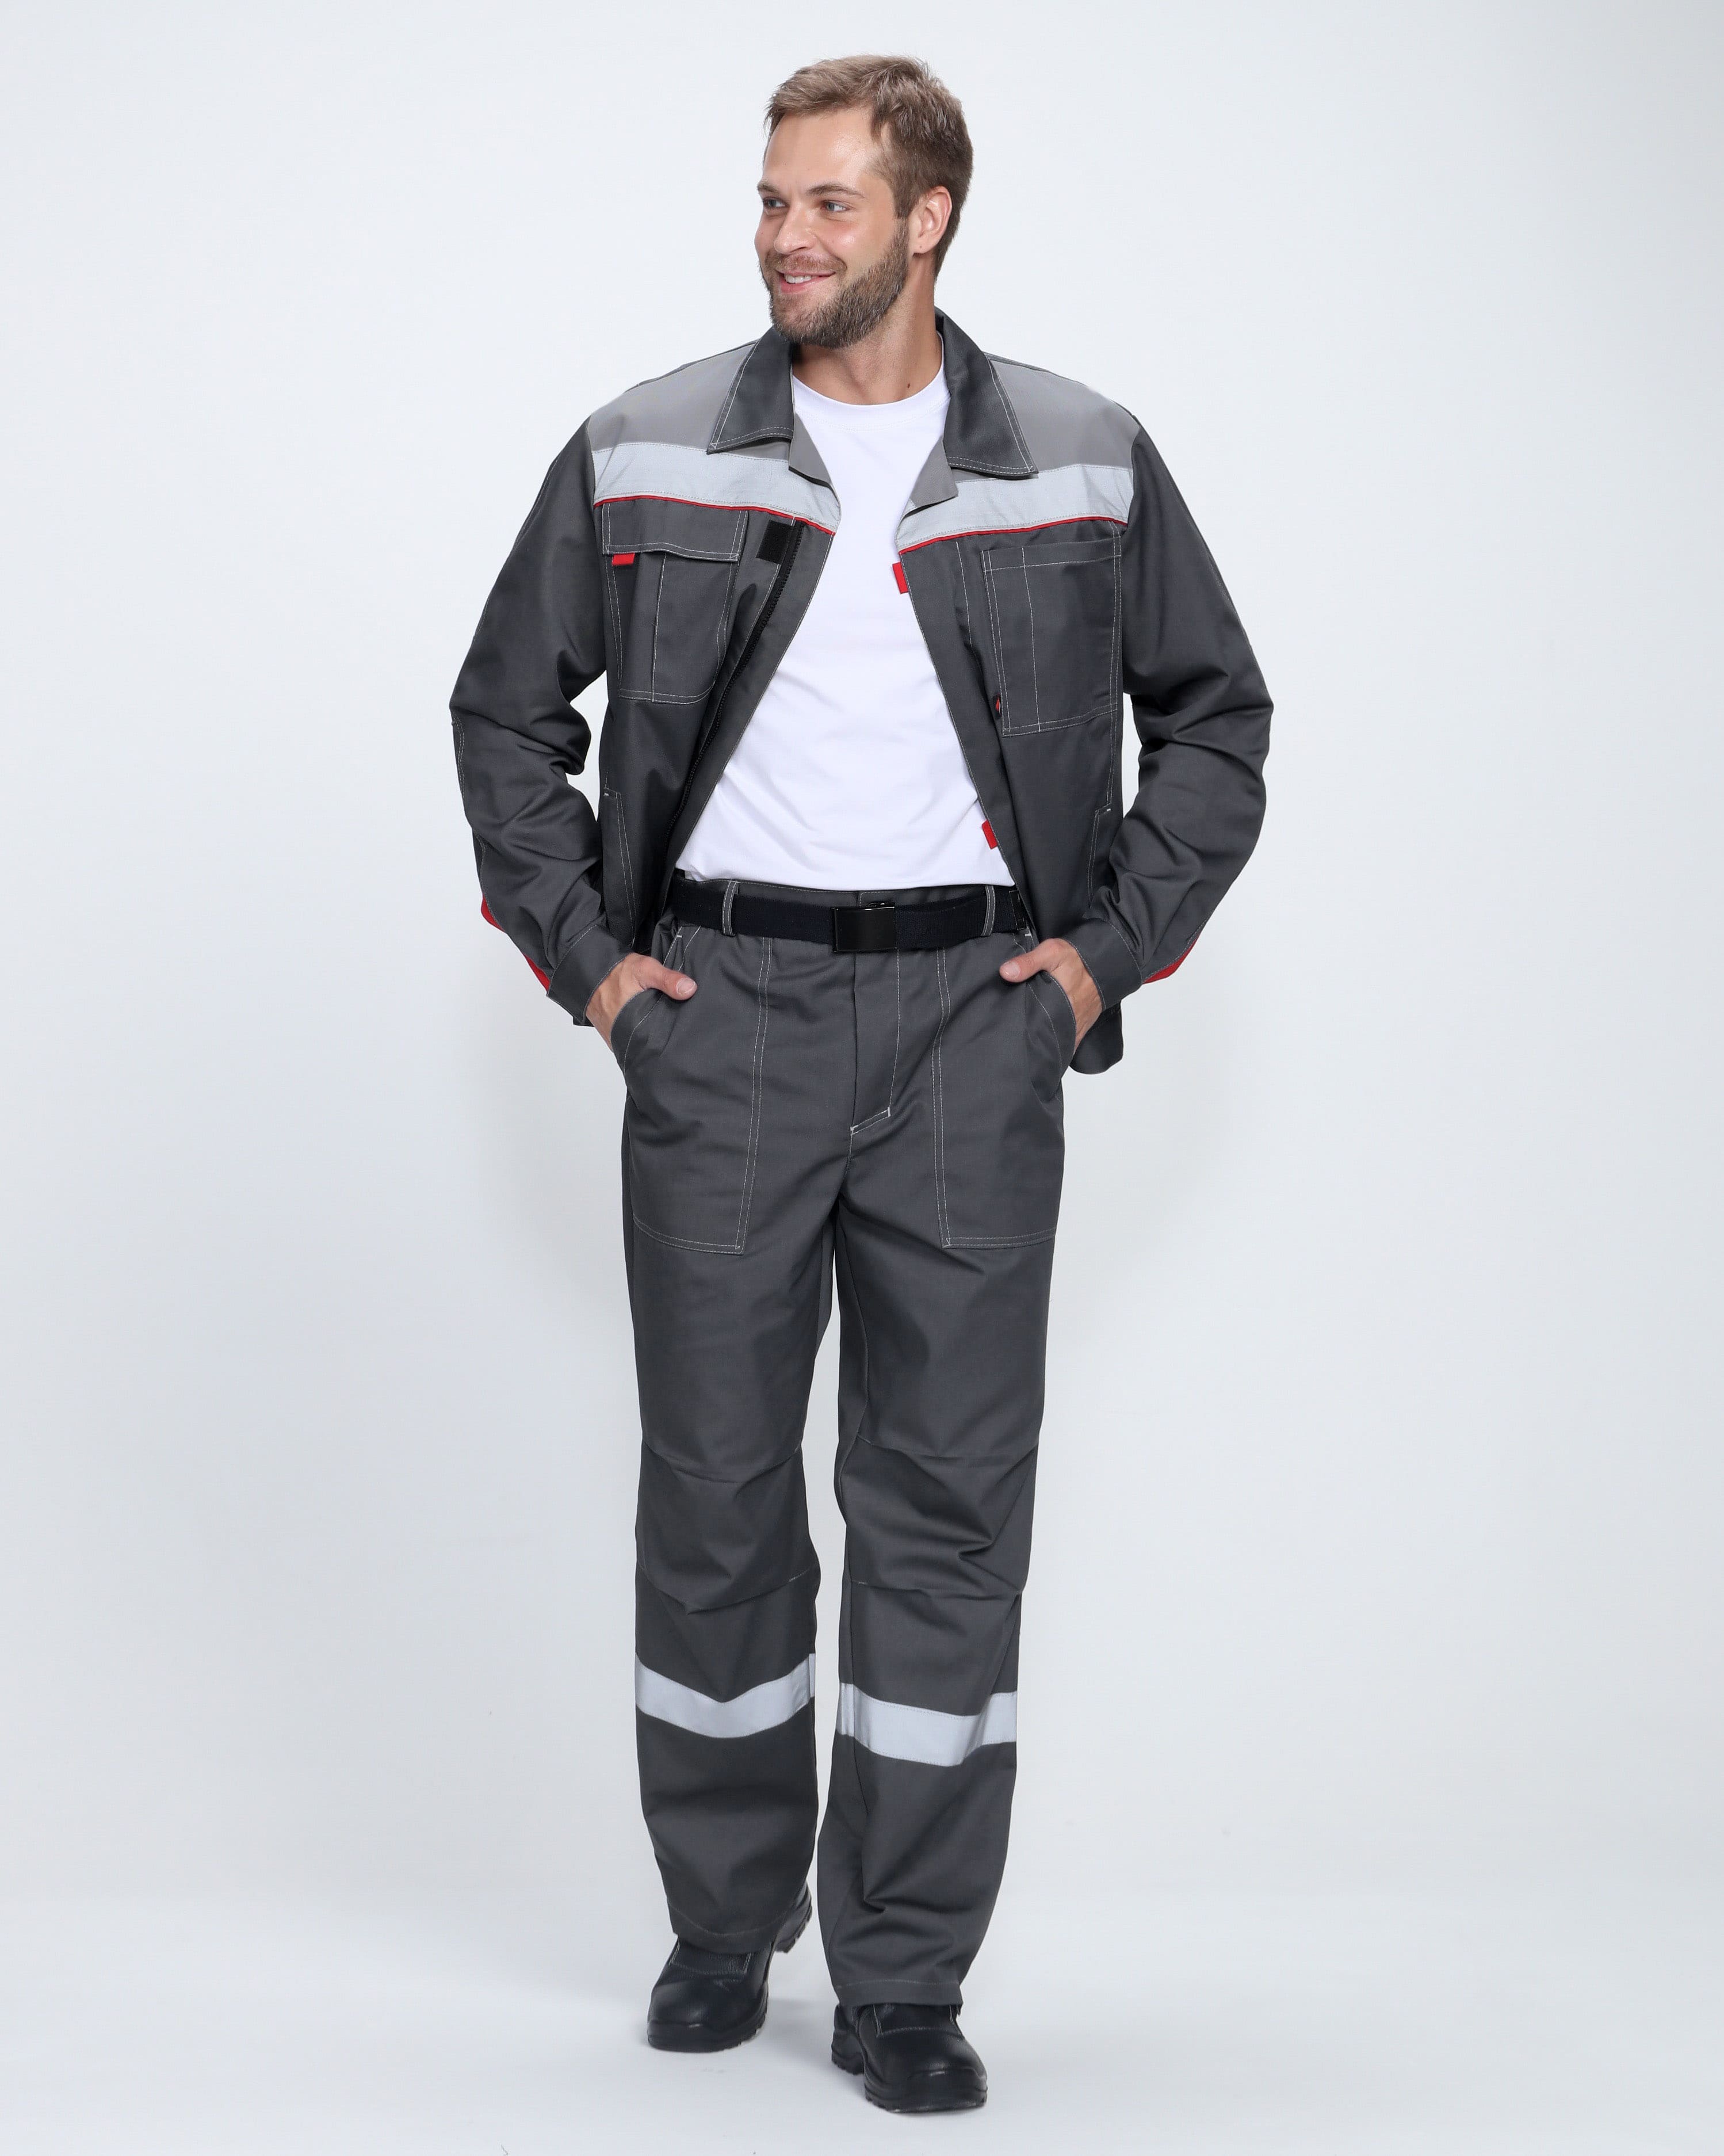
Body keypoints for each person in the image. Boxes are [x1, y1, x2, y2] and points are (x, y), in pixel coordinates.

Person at [450, 52, 1271, 2115]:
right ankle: (724, 1926)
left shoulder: (1083, 457)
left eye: (828, 202)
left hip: (977, 1024)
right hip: (722, 1013)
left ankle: (905, 1970)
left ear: (929, 218)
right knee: (719, 1494)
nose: (784, 237)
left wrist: (1096, 956)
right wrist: (598, 969)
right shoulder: (649, 444)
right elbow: (504, 713)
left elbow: (1217, 719)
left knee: (947, 1507)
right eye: (770, 199)